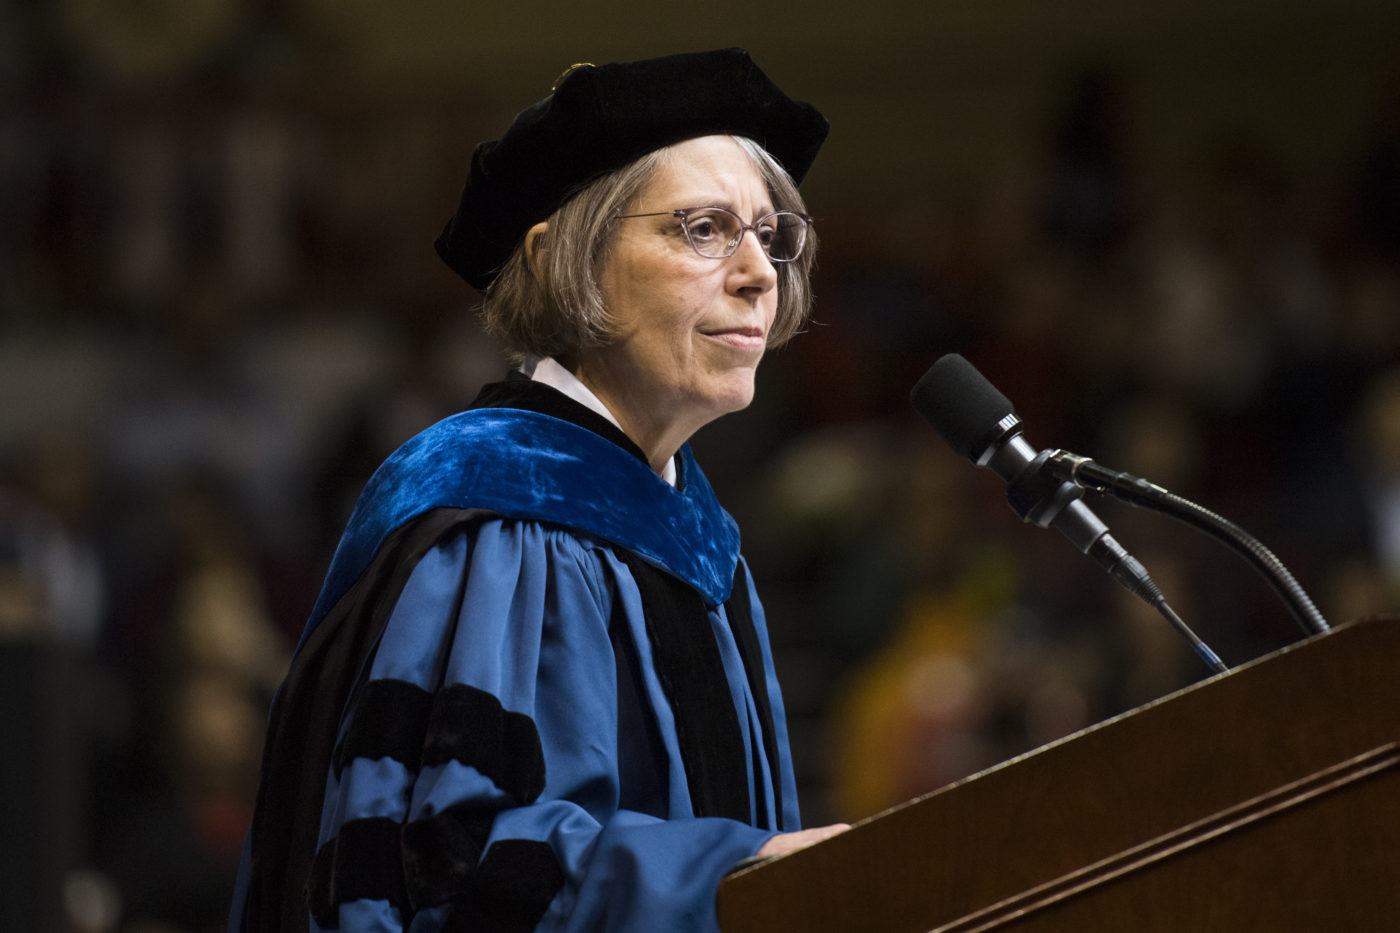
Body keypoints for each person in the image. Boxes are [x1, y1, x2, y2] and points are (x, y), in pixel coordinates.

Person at [229, 48, 848, 933]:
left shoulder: (702, 541)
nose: (759, 273)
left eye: (770, 234)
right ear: (566, 258)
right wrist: (729, 875)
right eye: (704, 229)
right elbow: (447, 866)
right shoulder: (494, 511)